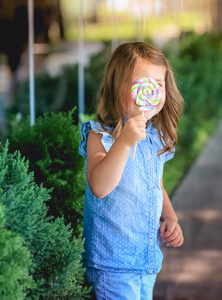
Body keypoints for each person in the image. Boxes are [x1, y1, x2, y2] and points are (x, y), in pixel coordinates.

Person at [78, 42, 184, 299]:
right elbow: (100, 187)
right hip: (112, 262)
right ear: (118, 87)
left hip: (145, 259)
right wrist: (125, 141)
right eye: (143, 83)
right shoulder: (99, 135)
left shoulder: (155, 137)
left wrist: (169, 216)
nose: (153, 90)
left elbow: (155, 185)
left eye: (158, 84)